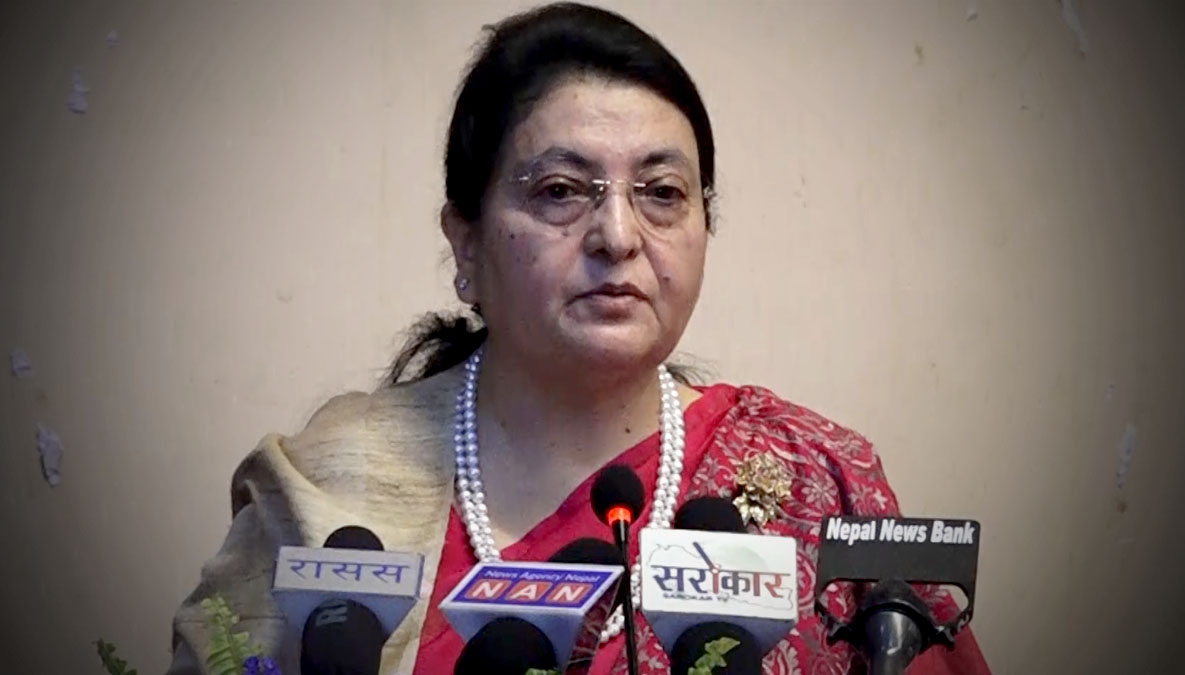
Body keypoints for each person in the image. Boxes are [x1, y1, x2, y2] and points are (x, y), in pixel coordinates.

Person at [167, 3, 991, 674]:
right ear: (465, 243)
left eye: (662, 192)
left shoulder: (818, 474)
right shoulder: (326, 488)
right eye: (562, 190)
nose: (618, 236)